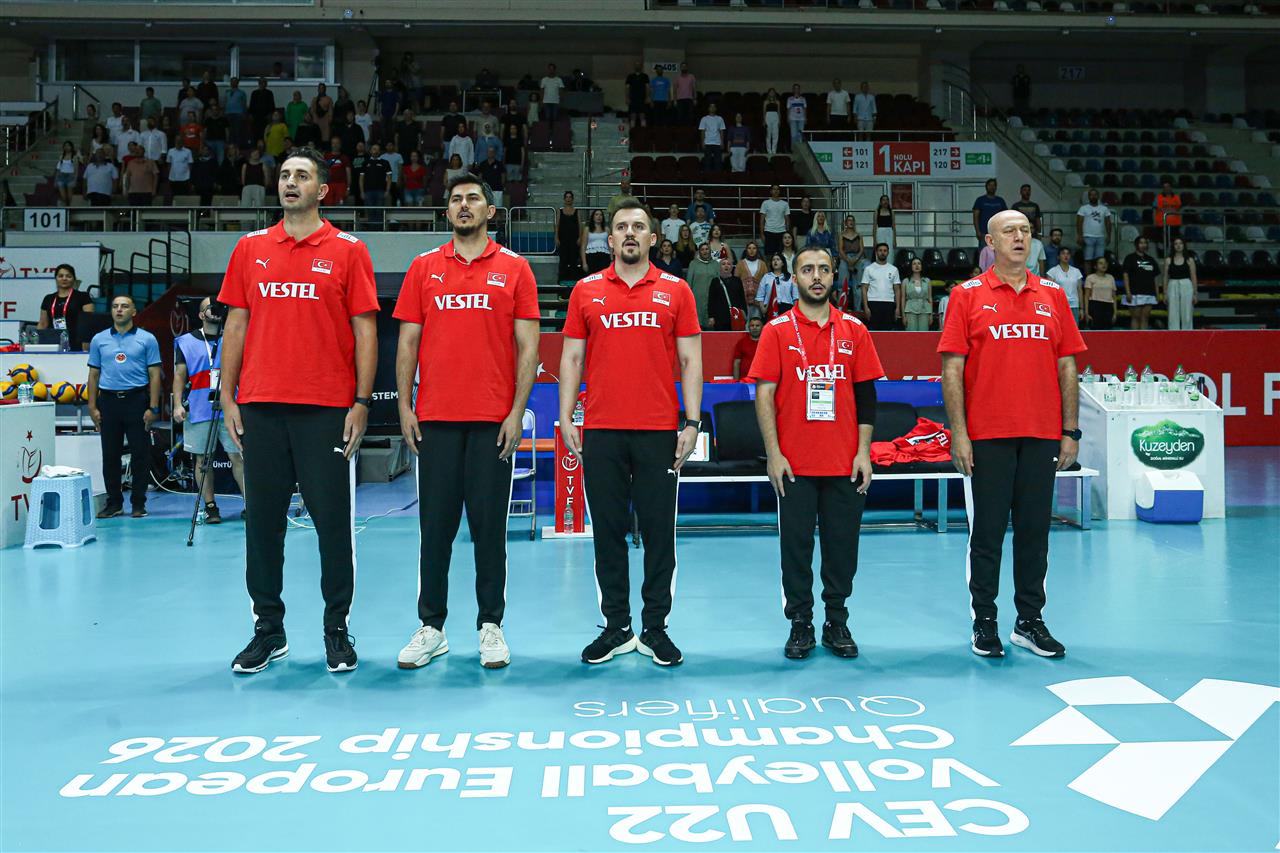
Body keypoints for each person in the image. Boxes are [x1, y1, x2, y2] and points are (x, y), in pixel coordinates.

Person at [217, 147, 379, 675]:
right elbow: (236, 325)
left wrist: (360, 402)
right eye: (285, 174)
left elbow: (365, 331)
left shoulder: (349, 251)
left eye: (302, 175)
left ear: (322, 190)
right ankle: (269, 629)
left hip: (325, 410)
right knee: (263, 526)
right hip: (261, 407)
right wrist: (227, 394)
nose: (290, 182)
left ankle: (336, 628)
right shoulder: (250, 248)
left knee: (333, 526)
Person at [393, 174, 540, 671]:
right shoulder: (423, 267)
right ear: (447, 211)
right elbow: (407, 342)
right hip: (435, 420)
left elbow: (528, 348)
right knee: (434, 529)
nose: (463, 205)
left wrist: (516, 412)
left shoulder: (515, 269)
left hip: (492, 423)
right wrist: (405, 407)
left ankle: (490, 625)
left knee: (489, 530)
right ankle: (431, 628)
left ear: (490, 211)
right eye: (455, 199)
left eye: (473, 198)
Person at [558, 197, 703, 667]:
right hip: (602, 431)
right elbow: (572, 358)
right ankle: (617, 627)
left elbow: (691, 361)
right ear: (610, 238)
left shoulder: (676, 290)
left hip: (659, 432)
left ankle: (655, 627)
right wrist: (567, 417)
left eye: (638, 226)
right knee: (608, 533)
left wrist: (692, 422)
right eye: (621, 227)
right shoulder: (586, 291)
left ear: (653, 238)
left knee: (660, 534)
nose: (629, 234)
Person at [938, 209, 1085, 660]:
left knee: (1034, 532)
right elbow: (952, 369)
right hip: (988, 436)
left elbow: (1067, 366)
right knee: (986, 534)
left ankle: (1029, 621)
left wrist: (1070, 430)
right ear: (990, 242)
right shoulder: (966, 295)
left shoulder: (1053, 295)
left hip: (1042, 434)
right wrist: (959, 434)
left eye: (1025, 231)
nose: (1019, 237)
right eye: (1009, 231)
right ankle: (984, 621)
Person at [751, 245, 881, 660]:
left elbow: (867, 398)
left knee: (842, 548)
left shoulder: (855, 330)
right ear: (795, 279)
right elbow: (764, 395)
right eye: (807, 270)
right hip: (794, 465)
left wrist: (863, 452)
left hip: (845, 463)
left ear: (833, 276)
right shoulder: (776, 331)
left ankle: (836, 620)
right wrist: (774, 454)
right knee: (796, 549)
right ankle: (800, 622)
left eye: (824, 269)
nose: (817, 276)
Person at [86, 295, 162, 520]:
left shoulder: (147, 339)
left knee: (140, 454)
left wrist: (153, 407)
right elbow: (93, 375)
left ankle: (138, 503)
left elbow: (154, 375)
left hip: (136, 401)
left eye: (124, 306)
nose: (119, 310)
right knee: (110, 455)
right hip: (108, 402)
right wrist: (92, 406)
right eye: (115, 306)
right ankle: (114, 503)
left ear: (134, 312)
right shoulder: (99, 340)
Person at [173, 297, 246, 525]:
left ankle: (251, 504)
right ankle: (211, 506)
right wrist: (177, 404)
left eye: (218, 307)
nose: (215, 310)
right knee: (202, 460)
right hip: (199, 408)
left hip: (231, 407)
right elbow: (179, 374)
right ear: (200, 314)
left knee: (238, 457)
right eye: (209, 307)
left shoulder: (235, 336)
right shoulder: (185, 341)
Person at [37, 263, 94, 350]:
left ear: (74, 279)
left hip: (76, 341)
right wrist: (36, 344)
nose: (64, 278)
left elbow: (88, 323)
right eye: (60, 276)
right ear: (56, 278)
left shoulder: (83, 297)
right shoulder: (48, 298)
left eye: (68, 276)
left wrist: (85, 346)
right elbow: (43, 324)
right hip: (52, 342)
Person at [860, 242, 901, 331]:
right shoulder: (869, 269)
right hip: (873, 303)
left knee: (887, 332)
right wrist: (866, 307)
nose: (882, 253)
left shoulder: (894, 269)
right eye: (880, 250)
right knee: (873, 331)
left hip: (889, 303)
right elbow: (864, 288)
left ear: (888, 252)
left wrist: (897, 308)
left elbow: (897, 289)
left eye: (885, 251)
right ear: (876, 252)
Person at [1122, 236, 1159, 330]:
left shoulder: (1151, 259)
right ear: (1136, 245)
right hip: (1135, 292)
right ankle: (1135, 338)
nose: (1143, 245)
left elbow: (1155, 277)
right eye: (1141, 243)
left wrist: (1157, 293)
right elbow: (1125, 275)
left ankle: (1143, 338)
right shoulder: (1130, 258)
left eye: (1145, 243)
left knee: (1145, 317)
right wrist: (1128, 292)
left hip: (1149, 293)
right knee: (1136, 317)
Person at [1162, 236, 1197, 330]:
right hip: (1172, 285)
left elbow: (1193, 277)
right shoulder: (1168, 260)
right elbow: (1165, 277)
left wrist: (1195, 293)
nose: (1178, 246)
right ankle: (1173, 333)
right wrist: (1164, 293)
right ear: (1173, 246)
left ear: (1184, 245)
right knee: (1172, 313)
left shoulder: (1190, 260)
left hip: (1186, 285)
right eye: (1176, 244)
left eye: (1180, 243)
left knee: (1187, 313)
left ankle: (1187, 333)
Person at [684, 242, 719, 329]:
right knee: (697, 324)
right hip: (697, 299)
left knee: (712, 326)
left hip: (712, 299)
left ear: (710, 251)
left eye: (707, 249)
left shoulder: (716, 264)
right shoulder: (693, 264)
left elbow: (719, 282)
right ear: (699, 252)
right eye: (702, 250)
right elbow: (689, 282)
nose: (705, 251)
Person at [708, 255, 746, 331]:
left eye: (728, 264)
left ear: (732, 267)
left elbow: (742, 298)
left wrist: (744, 312)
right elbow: (711, 300)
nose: (726, 266)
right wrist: (711, 316)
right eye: (723, 264)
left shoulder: (737, 281)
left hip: (735, 316)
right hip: (720, 317)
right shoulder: (715, 281)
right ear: (720, 267)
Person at [1045, 247, 1084, 322]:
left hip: (1074, 305)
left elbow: (1080, 290)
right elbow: (1049, 292)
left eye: (1068, 254)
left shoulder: (1076, 271)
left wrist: (1081, 309)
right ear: (1058, 257)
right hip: (1058, 305)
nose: (1066, 255)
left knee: (1074, 328)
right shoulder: (1052, 272)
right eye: (1063, 253)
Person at [1075, 188, 1112, 268]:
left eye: (1095, 195)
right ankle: (1089, 275)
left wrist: (1109, 236)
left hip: (1100, 237)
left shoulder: (1104, 209)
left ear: (1098, 196)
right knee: (1087, 259)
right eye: (1091, 195)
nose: (1093, 196)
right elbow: (1079, 223)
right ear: (1088, 197)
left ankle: (1098, 275)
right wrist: (1080, 236)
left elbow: (1108, 223)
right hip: (1087, 236)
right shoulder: (1083, 208)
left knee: (1100, 260)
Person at [972, 178, 1007, 256]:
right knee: (984, 255)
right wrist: (977, 231)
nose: (992, 187)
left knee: (998, 255)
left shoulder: (1000, 201)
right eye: (990, 185)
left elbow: (1005, 217)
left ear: (996, 187)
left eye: (993, 185)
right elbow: (975, 216)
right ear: (986, 187)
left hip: (998, 233)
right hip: (984, 233)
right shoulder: (980, 200)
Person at [837, 214, 866, 308]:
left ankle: (857, 309)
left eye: (852, 220)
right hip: (845, 258)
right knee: (843, 284)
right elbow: (840, 250)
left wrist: (855, 259)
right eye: (849, 220)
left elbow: (862, 249)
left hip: (857, 258)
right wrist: (848, 260)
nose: (851, 222)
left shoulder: (859, 235)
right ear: (845, 223)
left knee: (858, 286)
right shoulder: (841, 235)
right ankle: (841, 308)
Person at [757, 252, 797, 319]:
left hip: (786, 308)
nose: (775, 261)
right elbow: (760, 296)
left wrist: (794, 311)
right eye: (773, 260)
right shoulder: (766, 277)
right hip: (770, 307)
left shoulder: (790, 277)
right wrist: (763, 309)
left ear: (783, 263)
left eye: (778, 259)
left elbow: (795, 297)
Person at [556, 190, 583, 282]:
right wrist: (556, 237)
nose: (568, 199)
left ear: (572, 199)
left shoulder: (577, 211)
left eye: (570, 197)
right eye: (566, 197)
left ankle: (574, 280)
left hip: (574, 239)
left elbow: (580, 225)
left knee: (573, 260)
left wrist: (580, 237)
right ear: (564, 199)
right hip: (563, 239)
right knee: (563, 260)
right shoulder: (560, 211)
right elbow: (557, 225)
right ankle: (561, 280)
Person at [900, 258, 933, 331]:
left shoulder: (927, 281)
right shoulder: (906, 281)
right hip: (910, 310)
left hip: (924, 310)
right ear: (911, 267)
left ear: (922, 266)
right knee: (911, 334)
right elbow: (903, 299)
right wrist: (903, 316)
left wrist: (931, 315)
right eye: (914, 264)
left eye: (919, 263)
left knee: (924, 333)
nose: (917, 266)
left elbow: (930, 298)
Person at [697, 102, 727, 172]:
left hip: (717, 143)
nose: (712, 108)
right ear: (708, 108)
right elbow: (702, 131)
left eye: (714, 107)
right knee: (707, 162)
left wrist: (722, 142)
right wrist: (702, 142)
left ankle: (717, 176)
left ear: (716, 109)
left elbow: (721, 131)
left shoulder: (720, 118)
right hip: (707, 142)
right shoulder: (704, 119)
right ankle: (707, 176)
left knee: (718, 162)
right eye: (711, 106)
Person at [732, 315, 764, 379]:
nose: (754, 328)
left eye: (757, 325)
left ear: (762, 327)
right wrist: (736, 381)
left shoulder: (767, 343)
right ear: (748, 327)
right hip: (745, 380)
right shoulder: (741, 343)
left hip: (763, 380)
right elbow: (737, 363)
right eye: (752, 325)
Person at [580, 208, 610, 274]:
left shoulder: (607, 229)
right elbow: (583, 246)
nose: (599, 216)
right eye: (596, 214)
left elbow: (610, 246)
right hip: (591, 256)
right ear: (593, 217)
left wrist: (611, 259)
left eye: (601, 215)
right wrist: (584, 262)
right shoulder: (587, 229)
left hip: (604, 256)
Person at [322, 138, 351, 206]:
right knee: (328, 206)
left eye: (337, 143)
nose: (335, 145)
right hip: (328, 185)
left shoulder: (344, 157)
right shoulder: (326, 156)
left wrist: (348, 188)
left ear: (340, 145)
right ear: (331, 144)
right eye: (333, 143)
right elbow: (322, 171)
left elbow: (348, 173)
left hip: (341, 185)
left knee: (340, 207)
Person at [735, 240, 765, 305]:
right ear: (746, 250)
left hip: (759, 299)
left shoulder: (762, 264)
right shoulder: (740, 264)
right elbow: (736, 281)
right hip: (743, 299)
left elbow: (766, 281)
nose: (751, 250)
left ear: (757, 250)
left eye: (754, 248)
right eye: (749, 248)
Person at [1154, 180, 1182, 246]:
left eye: (1168, 186)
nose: (1166, 188)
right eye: (1164, 187)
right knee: (1162, 244)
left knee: (1174, 243)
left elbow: (1179, 209)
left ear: (1171, 187)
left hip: (1175, 225)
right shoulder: (1158, 197)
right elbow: (1154, 210)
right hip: (1162, 225)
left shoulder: (1177, 197)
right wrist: (1155, 223)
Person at [53, 142, 81, 206]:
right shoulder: (61, 157)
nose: (67, 147)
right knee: (63, 197)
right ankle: (65, 207)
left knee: (70, 197)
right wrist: (55, 180)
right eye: (65, 146)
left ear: (71, 147)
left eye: (68, 146)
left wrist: (75, 180)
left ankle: (69, 208)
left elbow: (76, 170)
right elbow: (58, 169)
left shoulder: (74, 157)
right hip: (61, 176)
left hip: (70, 176)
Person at [248, 78, 276, 142]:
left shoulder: (269, 93)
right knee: (255, 132)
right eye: (261, 82)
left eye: (264, 82)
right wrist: (250, 114)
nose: (262, 84)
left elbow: (272, 104)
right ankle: (256, 145)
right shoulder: (254, 93)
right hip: (256, 116)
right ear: (259, 84)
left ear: (266, 84)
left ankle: (265, 145)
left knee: (265, 132)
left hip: (266, 116)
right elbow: (251, 104)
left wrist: (270, 114)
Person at [625, 60, 649, 129]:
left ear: (641, 66)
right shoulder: (630, 76)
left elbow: (647, 87)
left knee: (642, 114)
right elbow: (627, 88)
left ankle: (643, 130)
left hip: (642, 98)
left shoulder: (645, 76)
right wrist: (627, 98)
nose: (637, 66)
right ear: (634, 66)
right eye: (636, 65)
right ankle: (632, 130)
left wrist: (647, 97)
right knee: (633, 114)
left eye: (639, 65)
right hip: (633, 98)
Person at [762, 88, 782, 155]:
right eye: (771, 92)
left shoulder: (777, 102)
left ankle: (774, 150)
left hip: (775, 117)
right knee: (768, 134)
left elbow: (779, 112)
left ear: (774, 93)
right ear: (768, 93)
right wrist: (764, 120)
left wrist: (779, 120)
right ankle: (769, 151)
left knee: (775, 134)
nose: (772, 93)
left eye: (773, 92)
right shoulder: (766, 102)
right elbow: (764, 112)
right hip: (768, 116)